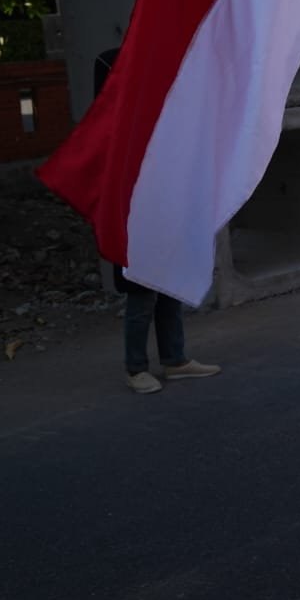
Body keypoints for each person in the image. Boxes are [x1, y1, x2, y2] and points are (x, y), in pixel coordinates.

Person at [91, 47, 222, 394]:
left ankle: (175, 360)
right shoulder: (111, 75)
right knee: (142, 289)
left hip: (166, 195)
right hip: (132, 201)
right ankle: (135, 368)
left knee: (169, 285)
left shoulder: (165, 79)